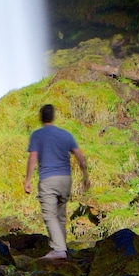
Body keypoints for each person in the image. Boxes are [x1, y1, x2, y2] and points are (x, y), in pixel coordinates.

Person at [23, 104, 90, 260]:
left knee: (49, 215)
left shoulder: (37, 135)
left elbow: (32, 157)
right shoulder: (65, 135)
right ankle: (61, 249)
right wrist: (85, 175)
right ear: (53, 117)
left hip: (48, 179)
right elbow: (79, 156)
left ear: (41, 117)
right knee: (60, 215)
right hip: (65, 179)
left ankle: (59, 250)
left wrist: (27, 180)